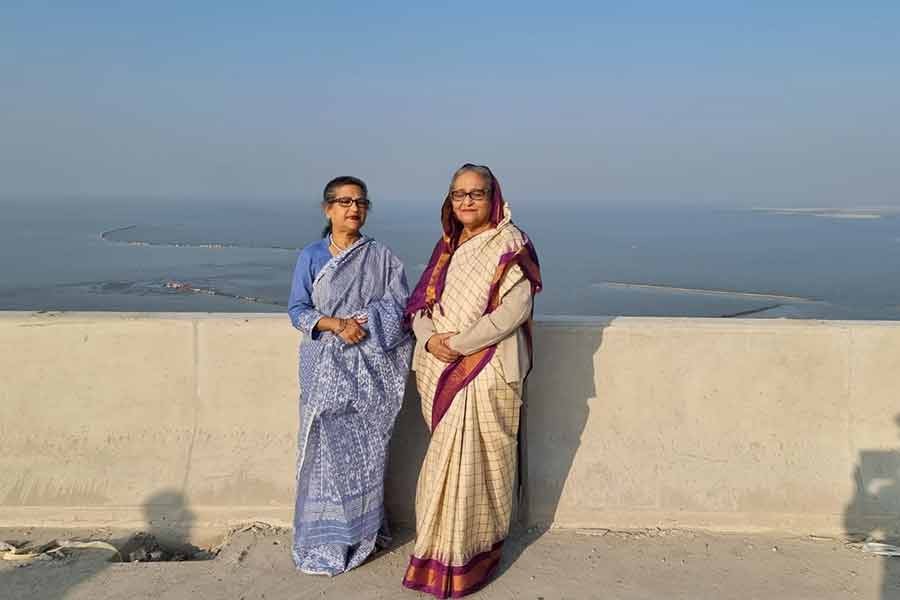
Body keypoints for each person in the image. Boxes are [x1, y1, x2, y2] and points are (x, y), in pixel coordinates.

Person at [402, 164, 542, 598]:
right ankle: (434, 551)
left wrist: (459, 343)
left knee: (481, 466)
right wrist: (430, 342)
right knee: (443, 463)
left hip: (486, 370)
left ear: (492, 197)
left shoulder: (509, 243)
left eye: (476, 194)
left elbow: (513, 311)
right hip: (442, 366)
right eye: (458, 193)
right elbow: (420, 305)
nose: (466, 201)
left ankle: (472, 555)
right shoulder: (446, 247)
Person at [288, 175, 413, 575]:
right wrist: (336, 324)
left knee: (366, 454)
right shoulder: (311, 256)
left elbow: (400, 309)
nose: (353, 208)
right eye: (343, 202)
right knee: (324, 454)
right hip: (324, 369)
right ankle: (325, 542)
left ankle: (362, 535)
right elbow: (297, 311)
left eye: (360, 202)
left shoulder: (382, 257)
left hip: (370, 374)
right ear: (328, 209)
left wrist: (367, 321)